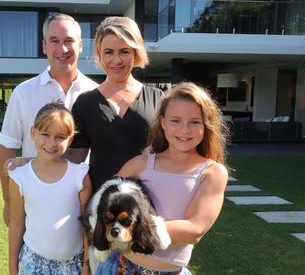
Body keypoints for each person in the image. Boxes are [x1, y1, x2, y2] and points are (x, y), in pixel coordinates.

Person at [97, 82, 229, 274]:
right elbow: (103, 205)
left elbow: (194, 230)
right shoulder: (139, 164)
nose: (185, 130)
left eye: (195, 122)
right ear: (163, 122)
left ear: (206, 125)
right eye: (175, 120)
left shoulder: (212, 173)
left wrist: (133, 229)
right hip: (120, 267)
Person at [0, 13, 98, 226]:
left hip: (83, 204)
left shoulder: (96, 93)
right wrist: (8, 202)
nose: (62, 49)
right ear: (44, 46)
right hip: (34, 208)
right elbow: (8, 149)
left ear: (80, 45)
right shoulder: (23, 92)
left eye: (69, 41)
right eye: (54, 41)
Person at [68, 16, 162, 192]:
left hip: (150, 204)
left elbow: (172, 153)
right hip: (102, 206)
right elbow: (74, 157)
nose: (116, 60)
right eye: (109, 52)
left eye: (124, 51)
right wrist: (32, 163)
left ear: (136, 52)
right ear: (99, 53)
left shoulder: (159, 99)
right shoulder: (84, 103)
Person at [8, 103, 92, 275]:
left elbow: (87, 225)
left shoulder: (80, 175)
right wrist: (12, 269)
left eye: (60, 137)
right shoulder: (20, 177)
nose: (52, 143)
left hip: (73, 265)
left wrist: (86, 265)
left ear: (70, 139)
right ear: (33, 133)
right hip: (32, 263)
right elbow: (16, 225)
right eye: (45, 134)